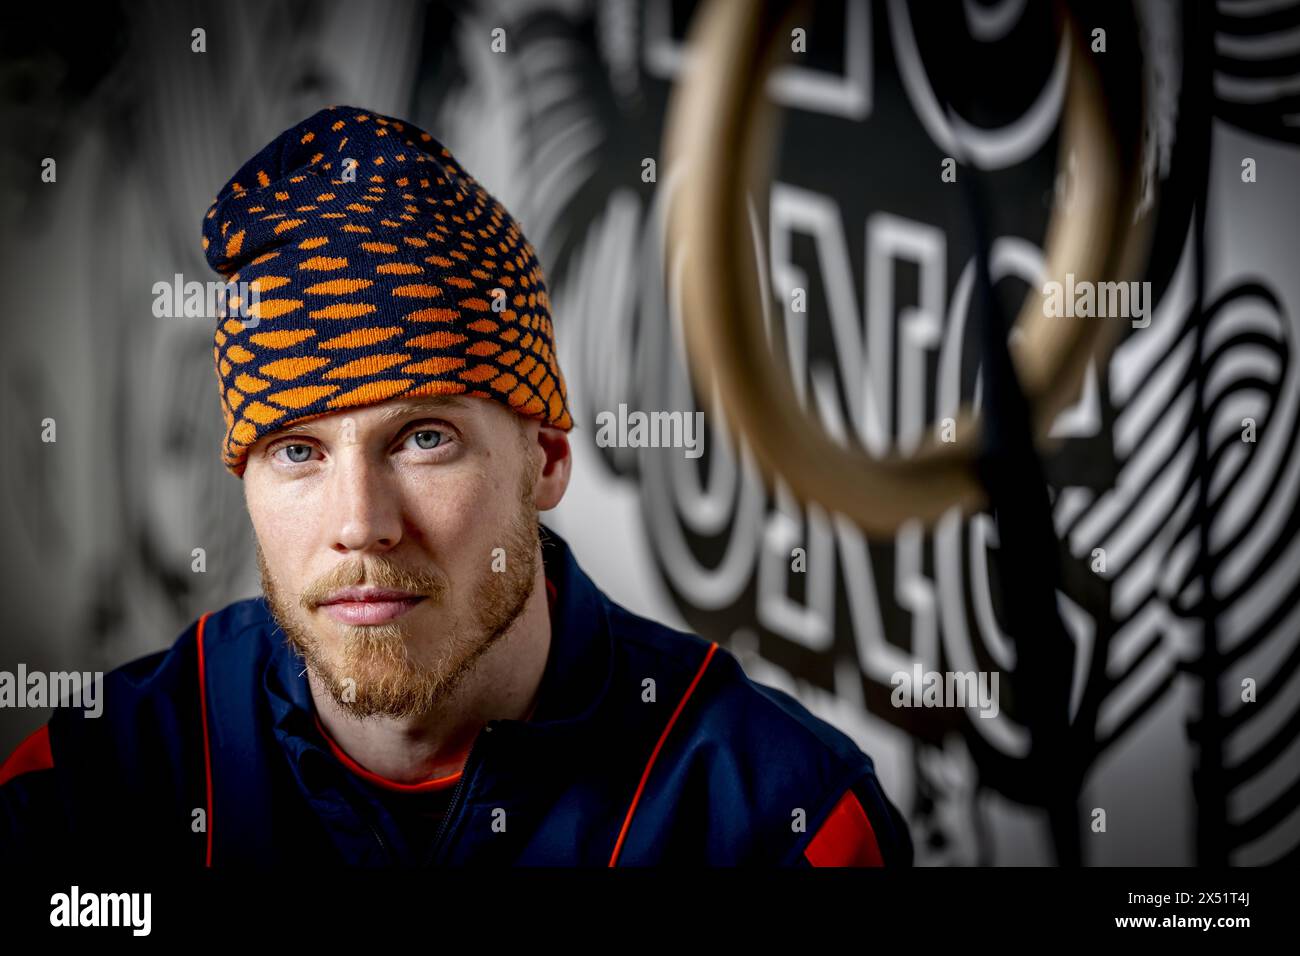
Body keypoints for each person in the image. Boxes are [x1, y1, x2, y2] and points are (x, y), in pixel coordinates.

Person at [0, 106, 911, 867]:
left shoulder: (779, 823)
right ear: (243, 476)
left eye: (423, 438)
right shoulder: (93, 789)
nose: (361, 525)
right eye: (297, 451)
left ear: (546, 459)